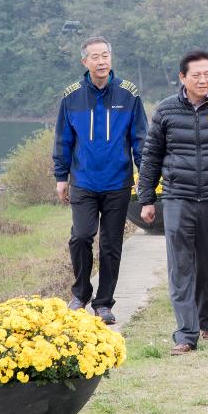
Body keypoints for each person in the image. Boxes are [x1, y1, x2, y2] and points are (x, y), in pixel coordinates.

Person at [136, 50, 208, 355]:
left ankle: (207, 320)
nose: (203, 80)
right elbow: (150, 157)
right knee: (181, 266)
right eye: (196, 75)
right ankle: (186, 334)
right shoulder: (165, 111)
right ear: (182, 78)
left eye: (207, 75)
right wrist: (147, 198)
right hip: (178, 198)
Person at [52, 36, 148, 325]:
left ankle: (104, 303)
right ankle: (80, 294)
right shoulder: (71, 97)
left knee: (110, 244)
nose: (101, 61)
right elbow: (63, 140)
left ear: (111, 58)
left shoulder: (128, 95)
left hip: (118, 182)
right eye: (95, 56)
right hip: (83, 181)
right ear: (85, 62)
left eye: (105, 55)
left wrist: (145, 176)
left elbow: (140, 139)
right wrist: (61, 176)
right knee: (81, 236)